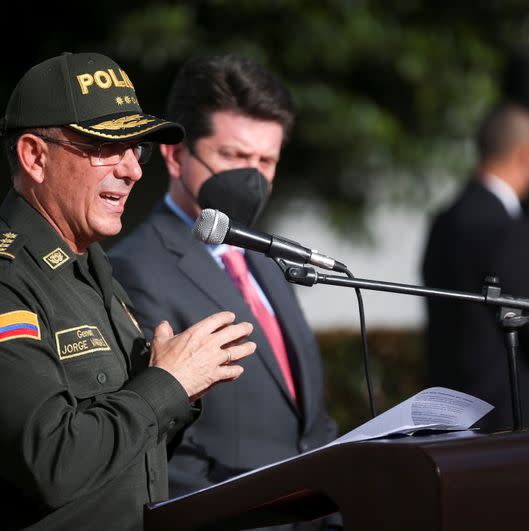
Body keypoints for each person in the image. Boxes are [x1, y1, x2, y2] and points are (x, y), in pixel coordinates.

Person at [0, 52, 257, 531]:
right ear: (35, 157)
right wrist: (168, 383)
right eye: (106, 147)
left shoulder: (91, 267)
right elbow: (54, 465)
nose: (132, 170)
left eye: (135, 149)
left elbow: (119, 457)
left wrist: (181, 390)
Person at [108, 54, 339, 528]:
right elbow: (166, 448)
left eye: (265, 161)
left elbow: (308, 420)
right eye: (234, 156)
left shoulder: (267, 258)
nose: (251, 177)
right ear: (175, 156)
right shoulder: (134, 268)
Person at [421, 102, 529, 434]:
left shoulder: (444, 223)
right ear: (528, 156)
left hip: (445, 413)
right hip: (511, 414)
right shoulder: (509, 229)